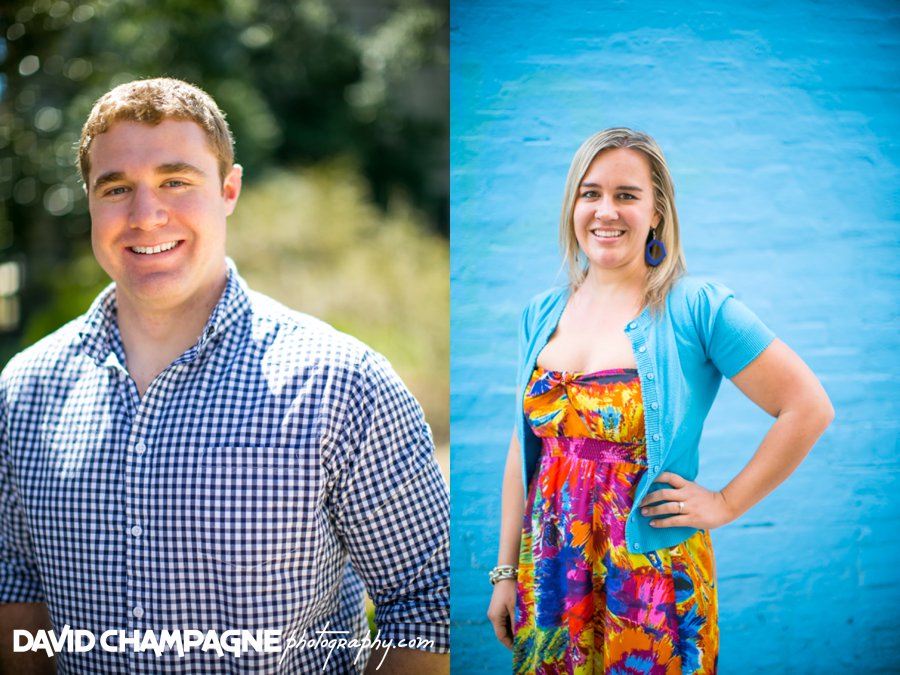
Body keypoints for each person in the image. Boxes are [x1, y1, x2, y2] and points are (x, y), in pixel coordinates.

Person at [0, 77, 449, 674]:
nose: (145, 214)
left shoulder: (342, 385)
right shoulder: (24, 392)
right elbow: (18, 591)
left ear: (228, 190)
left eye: (175, 181)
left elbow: (427, 599)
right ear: (89, 200)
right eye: (117, 188)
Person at [486, 128, 833, 673]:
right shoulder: (541, 313)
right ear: (572, 206)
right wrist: (506, 572)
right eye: (590, 192)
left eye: (627, 195)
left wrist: (725, 504)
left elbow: (808, 407)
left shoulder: (697, 307)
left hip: (650, 577)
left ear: (657, 212)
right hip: (551, 572)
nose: (606, 210)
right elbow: (524, 451)